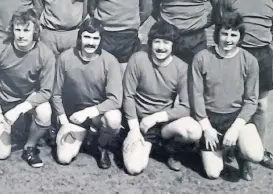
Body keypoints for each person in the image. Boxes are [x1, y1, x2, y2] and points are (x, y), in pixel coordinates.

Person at [122, 21, 202, 175]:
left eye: (166, 42)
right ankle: (138, 143)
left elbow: (186, 106)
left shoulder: (182, 67)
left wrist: (155, 118)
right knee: (134, 168)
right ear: (150, 42)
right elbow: (128, 95)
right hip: (137, 122)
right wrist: (134, 129)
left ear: (173, 45)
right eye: (157, 42)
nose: (161, 47)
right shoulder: (138, 59)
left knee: (194, 131)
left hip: (162, 124)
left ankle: (170, 149)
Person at [191, 11, 264, 180]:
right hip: (210, 118)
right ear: (217, 34)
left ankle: (242, 156)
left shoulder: (249, 61)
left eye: (234, 34)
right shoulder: (202, 57)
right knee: (213, 173)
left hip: (236, 116)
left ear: (240, 37)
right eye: (224, 33)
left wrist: (235, 128)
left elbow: (251, 100)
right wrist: (207, 128)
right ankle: (216, 148)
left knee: (255, 154)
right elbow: (197, 95)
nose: (228, 39)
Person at [217, 0, 273, 169]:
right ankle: (230, 147)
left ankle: (253, 153)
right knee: (233, 102)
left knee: (259, 105)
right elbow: (221, 23)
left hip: (263, 56)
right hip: (237, 54)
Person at [0, 8, 55, 168]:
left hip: (28, 100)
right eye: (18, 29)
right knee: (2, 154)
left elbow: (46, 91)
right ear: (12, 30)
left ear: (35, 31)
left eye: (26, 30)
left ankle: (29, 147)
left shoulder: (45, 54)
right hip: (4, 100)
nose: (22, 35)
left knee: (45, 112)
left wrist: (19, 110)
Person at [52, 18, 122, 169]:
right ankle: (83, 138)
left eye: (95, 38)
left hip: (97, 115)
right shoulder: (65, 58)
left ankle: (101, 145)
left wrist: (89, 112)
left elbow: (115, 100)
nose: (91, 42)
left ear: (100, 40)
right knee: (64, 158)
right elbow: (55, 94)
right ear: (80, 37)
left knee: (114, 119)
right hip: (74, 117)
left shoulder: (110, 61)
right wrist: (64, 122)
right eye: (87, 37)